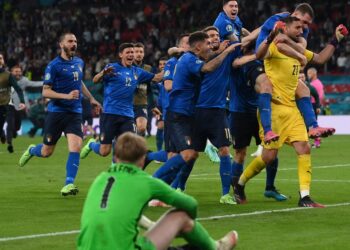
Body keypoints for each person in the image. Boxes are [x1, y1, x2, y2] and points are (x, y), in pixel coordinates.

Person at [233, 17, 347, 207]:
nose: (301, 31)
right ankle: (240, 183)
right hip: (274, 109)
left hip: (292, 110)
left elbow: (320, 58)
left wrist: (335, 39)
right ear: (285, 27)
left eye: (303, 28)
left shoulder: (296, 48)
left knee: (304, 148)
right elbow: (260, 54)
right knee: (268, 157)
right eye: (297, 27)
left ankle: (305, 197)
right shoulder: (275, 46)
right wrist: (270, 37)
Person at [77, 132, 238, 250]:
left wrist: (153, 226)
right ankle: (216, 247)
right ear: (142, 160)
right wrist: (178, 229)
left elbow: (115, 212)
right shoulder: (145, 181)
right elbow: (191, 205)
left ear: (116, 157)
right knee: (181, 217)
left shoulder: (100, 178)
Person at [152, 31, 240, 192]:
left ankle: (164, 188)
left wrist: (220, 51)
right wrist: (226, 52)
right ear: (198, 47)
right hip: (178, 114)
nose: (210, 47)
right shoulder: (190, 60)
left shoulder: (191, 58)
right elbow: (207, 67)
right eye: (207, 44)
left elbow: (206, 58)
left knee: (190, 154)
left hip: (187, 114)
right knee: (184, 154)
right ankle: (153, 183)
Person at [19, 33, 101, 196]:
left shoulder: (79, 62)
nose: (74, 44)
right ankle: (32, 150)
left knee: (76, 146)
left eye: (75, 41)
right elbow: (45, 91)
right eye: (70, 41)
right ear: (61, 44)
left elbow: (79, 82)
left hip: (74, 112)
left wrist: (91, 98)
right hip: (56, 113)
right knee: (46, 152)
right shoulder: (53, 66)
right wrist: (66, 96)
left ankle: (68, 184)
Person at [253, 3, 335, 143]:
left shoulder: (301, 30)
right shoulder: (278, 20)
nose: (304, 27)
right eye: (302, 23)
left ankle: (313, 126)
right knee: (266, 84)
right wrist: (299, 55)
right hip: (257, 62)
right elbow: (279, 45)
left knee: (303, 88)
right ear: (295, 15)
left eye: (307, 24)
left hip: (279, 67)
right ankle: (267, 130)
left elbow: (303, 48)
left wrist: (336, 39)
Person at [80, 43, 163, 159]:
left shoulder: (137, 72)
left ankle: (119, 170)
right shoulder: (112, 68)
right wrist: (103, 73)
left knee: (128, 149)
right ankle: (91, 144)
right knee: (104, 151)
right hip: (110, 114)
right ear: (121, 54)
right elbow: (95, 80)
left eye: (132, 52)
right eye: (128, 52)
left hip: (128, 116)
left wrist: (172, 66)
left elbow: (157, 77)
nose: (131, 55)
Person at [229, 40, 287, 201]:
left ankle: (270, 188)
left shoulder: (261, 60)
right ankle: (237, 190)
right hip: (239, 113)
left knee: (272, 149)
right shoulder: (236, 60)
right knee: (240, 153)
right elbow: (236, 63)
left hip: (260, 112)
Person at [193, 26, 240, 205]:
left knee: (225, 150)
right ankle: (179, 187)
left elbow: (242, 49)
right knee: (190, 155)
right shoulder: (198, 58)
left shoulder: (227, 55)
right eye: (211, 36)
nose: (215, 38)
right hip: (198, 112)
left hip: (218, 111)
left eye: (217, 35)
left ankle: (225, 194)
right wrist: (222, 51)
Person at [0, 53, 25, 148]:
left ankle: (5, 136)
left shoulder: (8, 75)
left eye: (1, 58)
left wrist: (22, 101)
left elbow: (18, 89)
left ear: (3, 61)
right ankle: (3, 134)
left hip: (5, 105)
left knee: (11, 124)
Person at [133, 42, 154, 137]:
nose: (139, 54)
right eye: (136, 51)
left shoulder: (148, 68)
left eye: (141, 52)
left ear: (144, 54)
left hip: (141, 104)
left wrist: (153, 105)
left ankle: (138, 150)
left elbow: (149, 88)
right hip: (127, 104)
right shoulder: (127, 67)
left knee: (141, 128)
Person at [307, 68, 324, 148]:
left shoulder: (315, 84)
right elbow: (322, 95)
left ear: (314, 73)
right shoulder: (316, 83)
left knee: (312, 125)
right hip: (313, 105)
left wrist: (318, 106)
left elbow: (319, 96)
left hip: (313, 105)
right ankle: (317, 140)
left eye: (309, 73)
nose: (308, 75)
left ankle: (317, 141)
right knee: (312, 125)